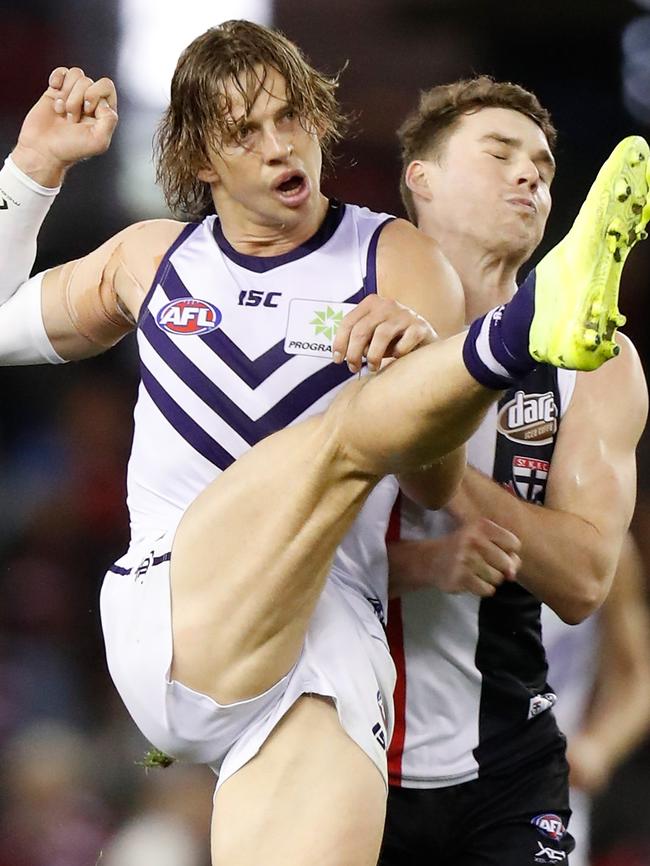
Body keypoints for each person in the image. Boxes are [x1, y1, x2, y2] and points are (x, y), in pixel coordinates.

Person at [1, 27, 648, 866]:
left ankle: (496, 345)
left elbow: (430, 481)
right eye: (246, 133)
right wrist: (34, 167)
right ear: (201, 158)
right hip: (179, 608)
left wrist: (419, 362)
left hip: (325, 661)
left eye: (292, 119)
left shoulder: (397, 258)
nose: (281, 147)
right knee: (340, 435)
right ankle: (523, 331)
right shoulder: (150, 259)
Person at [378, 77, 649, 866]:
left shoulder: (597, 363)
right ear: (419, 180)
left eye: (543, 163)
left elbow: (583, 579)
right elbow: (267, 557)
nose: (529, 173)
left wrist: (414, 430)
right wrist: (423, 562)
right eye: (498, 154)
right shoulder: (346, 323)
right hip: (348, 746)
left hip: (510, 758)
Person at [542, 533, 650, 866]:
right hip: (435, 773)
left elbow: (638, 679)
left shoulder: (609, 544)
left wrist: (599, 747)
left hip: (550, 791)